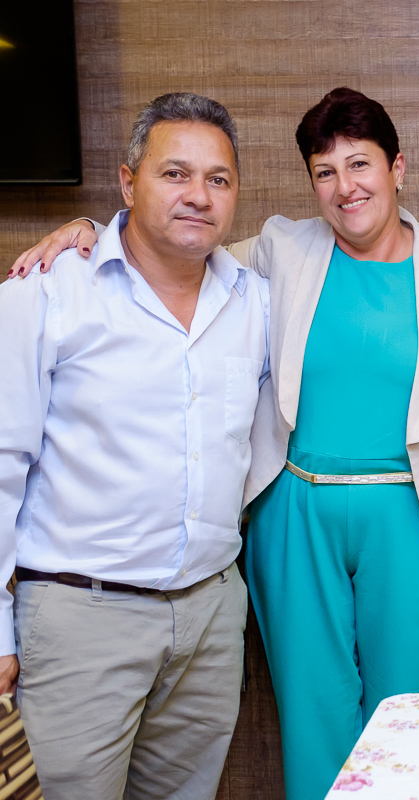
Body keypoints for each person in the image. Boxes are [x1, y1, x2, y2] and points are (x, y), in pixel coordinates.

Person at [11, 87, 419, 800]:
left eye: (360, 164)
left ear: (398, 167)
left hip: (413, 516)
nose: (345, 186)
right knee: (314, 720)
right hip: (294, 513)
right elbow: (166, 245)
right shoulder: (280, 250)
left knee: (410, 727)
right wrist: (86, 228)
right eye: (324, 172)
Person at [0, 93, 268, 799]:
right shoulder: (48, 293)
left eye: (218, 179)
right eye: (175, 173)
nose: (198, 195)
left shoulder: (256, 302)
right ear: (128, 183)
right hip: (81, 618)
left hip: (210, 619)